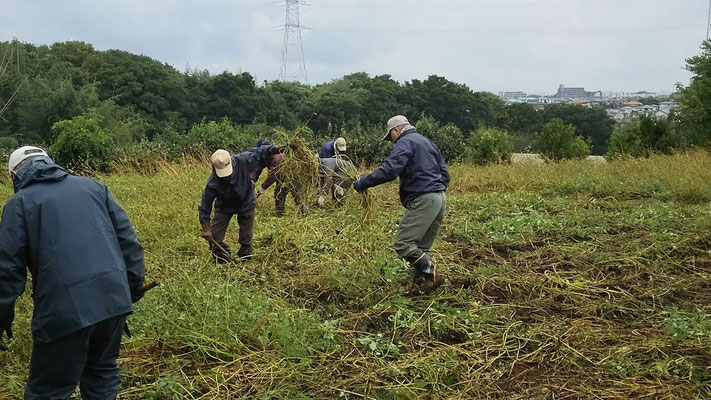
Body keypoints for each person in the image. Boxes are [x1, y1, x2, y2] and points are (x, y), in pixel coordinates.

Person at [0, 146, 146, 399]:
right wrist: (131, 288)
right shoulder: (94, 187)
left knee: (49, 389)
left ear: (15, 173)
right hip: (114, 301)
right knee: (101, 372)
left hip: (63, 311)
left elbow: (7, 271)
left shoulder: (20, 204)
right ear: (49, 162)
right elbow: (128, 241)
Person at [353, 116, 449, 294]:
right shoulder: (427, 142)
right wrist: (436, 190)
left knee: (404, 244)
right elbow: (444, 173)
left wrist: (364, 182)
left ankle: (433, 275)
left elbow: (390, 170)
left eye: (391, 137)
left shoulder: (405, 142)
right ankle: (421, 283)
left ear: (396, 130)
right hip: (440, 198)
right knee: (422, 246)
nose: (392, 141)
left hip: (423, 198)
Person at [199, 143, 278, 261]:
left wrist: (279, 148)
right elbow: (205, 206)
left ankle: (245, 253)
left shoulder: (243, 160)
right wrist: (206, 229)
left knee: (246, 232)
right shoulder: (212, 183)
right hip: (224, 206)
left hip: (246, 201)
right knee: (215, 236)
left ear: (231, 161)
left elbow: (260, 151)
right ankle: (221, 255)